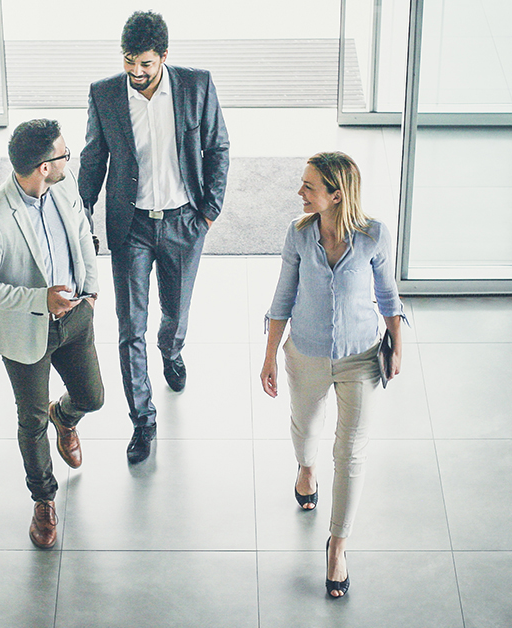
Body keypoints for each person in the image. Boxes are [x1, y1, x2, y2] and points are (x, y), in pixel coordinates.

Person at [79, 10, 229, 464]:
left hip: (186, 221)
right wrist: (82, 215)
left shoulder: (196, 85)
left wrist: (209, 212)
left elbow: (218, 146)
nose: (136, 72)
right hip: (132, 227)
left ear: (164, 56)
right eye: (129, 61)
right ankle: (143, 421)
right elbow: (92, 160)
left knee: (175, 312)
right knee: (129, 328)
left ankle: (172, 349)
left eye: (145, 63)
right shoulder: (104, 95)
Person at [259, 152, 405, 598]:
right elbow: (283, 296)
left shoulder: (374, 236)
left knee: (352, 451)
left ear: (336, 195)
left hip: (361, 357)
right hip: (306, 351)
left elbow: (387, 295)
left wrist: (398, 344)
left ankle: (338, 546)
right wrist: (268, 357)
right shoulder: (299, 234)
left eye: (309, 187)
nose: (300, 193)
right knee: (305, 430)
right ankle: (306, 468)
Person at [0, 119, 104, 549]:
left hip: (76, 318)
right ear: (43, 166)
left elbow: (83, 234)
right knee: (31, 421)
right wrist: (38, 299)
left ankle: (65, 416)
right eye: (63, 154)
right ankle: (43, 499)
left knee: (92, 398)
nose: (69, 159)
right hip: (27, 332)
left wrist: (93, 291)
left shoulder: (64, 186)